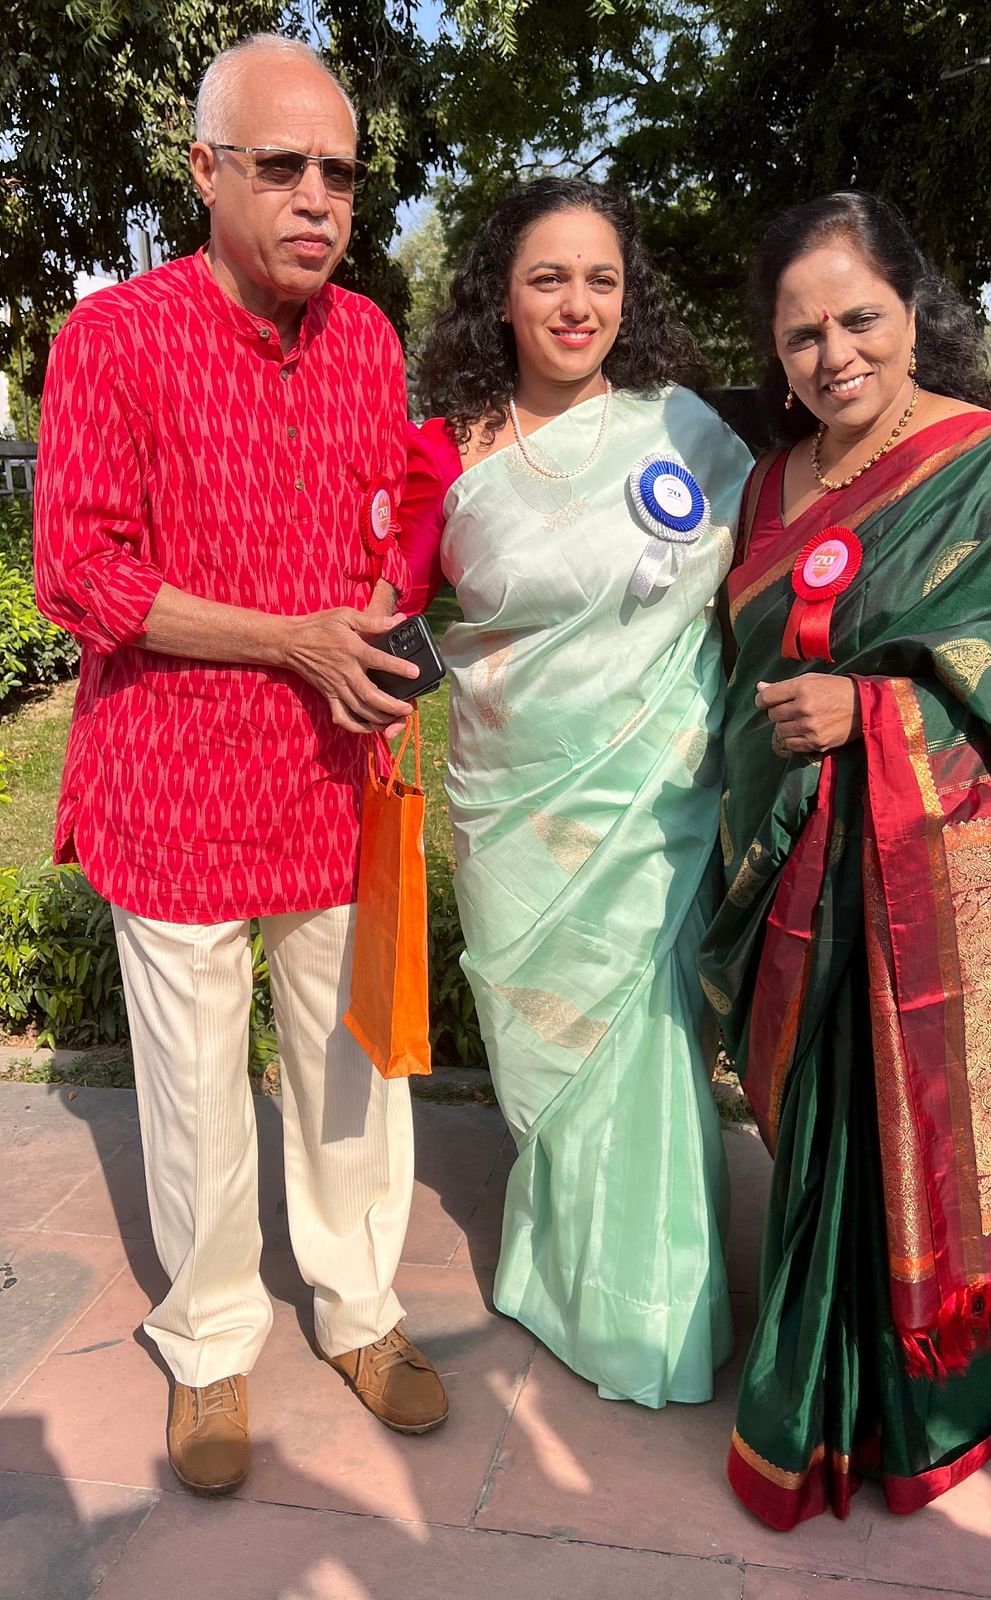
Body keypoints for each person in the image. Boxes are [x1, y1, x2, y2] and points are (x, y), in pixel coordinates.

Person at [699, 192, 991, 1528]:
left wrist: (878, 712)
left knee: (914, 1136)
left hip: (942, 887)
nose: (833, 354)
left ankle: (914, 1403)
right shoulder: (764, 485)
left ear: (915, 314)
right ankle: (832, 1380)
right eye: (801, 334)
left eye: (860, 318)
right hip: (799, 878)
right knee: (819, 1157)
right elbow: (740, 680)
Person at [33, 34, 448, 1498]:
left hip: (333, 775)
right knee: (198, 1088)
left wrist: (384, 634)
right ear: (205, 170)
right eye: (282, 167)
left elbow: (383, 526)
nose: (317, 198)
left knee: (348, 1067)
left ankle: (358, 1306)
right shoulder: (113, 340)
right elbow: (76, 572)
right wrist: (293, 641)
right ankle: (210, 1345)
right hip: (176, 780)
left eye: (339, 171)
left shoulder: (371, 343)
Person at [398, 178, 752, 1406]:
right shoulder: (447, 450)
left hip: (654, 802)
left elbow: (766, 577)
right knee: (541, 1054)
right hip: (513, 801)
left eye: (602, 278)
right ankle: (553, 1267)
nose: (577, 303)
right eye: (548, 276)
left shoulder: (686, 434)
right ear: (500, 292)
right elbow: (380, 603)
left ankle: (652, 1309)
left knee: (647, 1051)